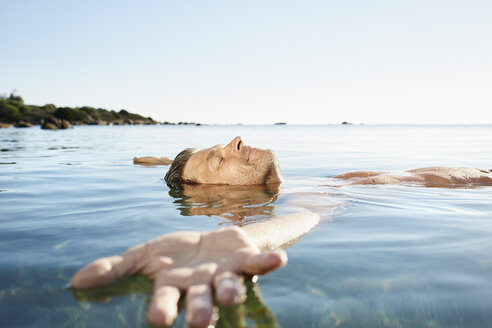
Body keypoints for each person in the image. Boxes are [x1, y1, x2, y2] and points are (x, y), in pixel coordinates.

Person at [74, 136, 492, 327]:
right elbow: (305, 218)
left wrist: (148, 160)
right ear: (221, 198)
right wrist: (245, 243)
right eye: (219, 161)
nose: (235, 142)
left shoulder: (306, 180)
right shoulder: (303, 198)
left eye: (221, 145)